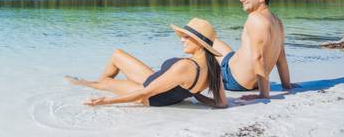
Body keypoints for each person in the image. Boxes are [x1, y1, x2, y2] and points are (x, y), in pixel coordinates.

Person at [66, 18, 227, 108]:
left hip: (151, 96)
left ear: (199, 43)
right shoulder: (214, 66)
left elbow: (145, 93)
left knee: (108, 82)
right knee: (117, 55)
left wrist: (105, 101)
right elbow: (222, 103)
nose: (181, 39)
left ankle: (86, 84)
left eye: (186, 37)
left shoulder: (186, 66)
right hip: (157, 83)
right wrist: (195, 95)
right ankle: (94, 83)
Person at [212, 0, 297, 99]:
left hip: (233, 80)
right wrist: (287, 86)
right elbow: (281, 58)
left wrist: (263, 95)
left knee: (204, 40)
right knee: (214, 42)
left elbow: (259, 58)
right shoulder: (277, 22)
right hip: (252, 81)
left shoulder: (255, 18)